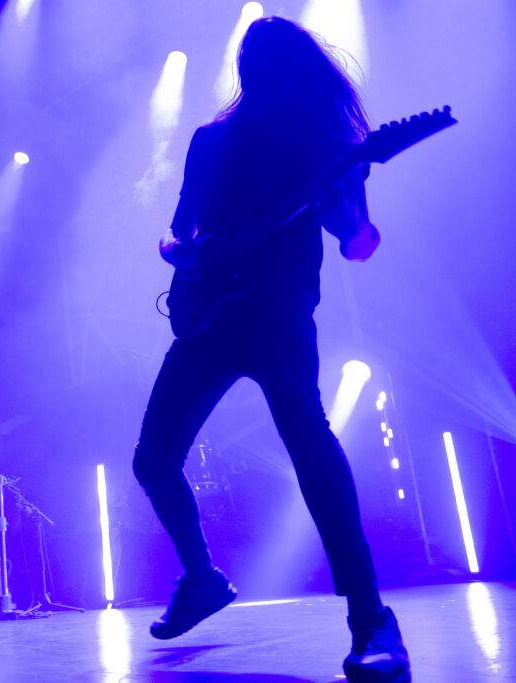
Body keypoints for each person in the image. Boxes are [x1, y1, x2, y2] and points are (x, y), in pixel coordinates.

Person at [132, 17, 409, 683]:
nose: (260, 90)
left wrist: (341, 212)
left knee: (309, 441)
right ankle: (202, 579)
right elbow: (175, 232)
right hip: (208, 318)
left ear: (293, 77)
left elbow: (361, 243)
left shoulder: (324, 146)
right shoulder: (210, 141)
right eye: (251, 76)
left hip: (279, 314)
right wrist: (182, 253)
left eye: (272, 79)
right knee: (153, 460)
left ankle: (371, 618)